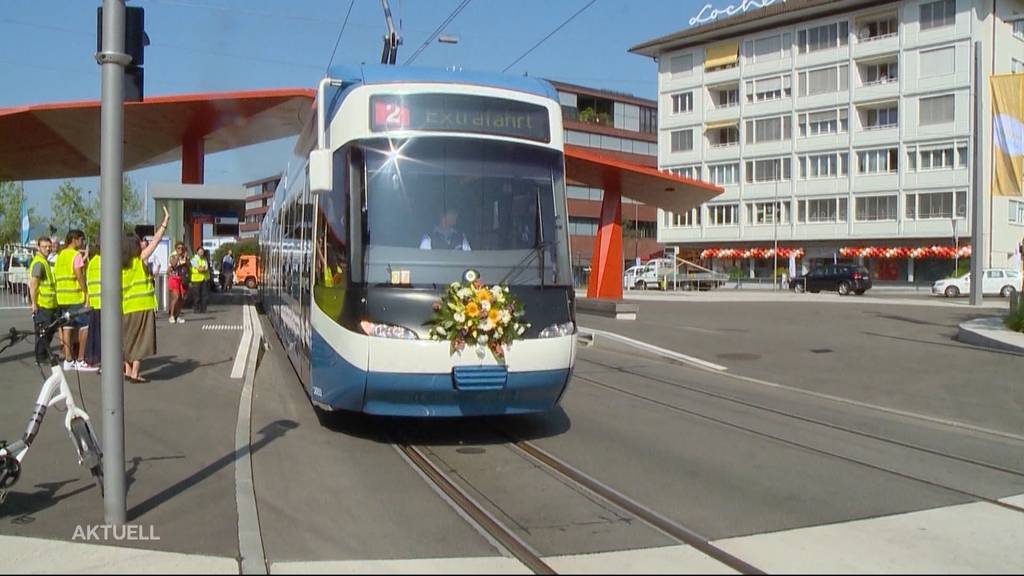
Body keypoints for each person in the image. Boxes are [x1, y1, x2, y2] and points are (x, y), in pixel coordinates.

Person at [121, 206, 169, 383]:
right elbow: (156, 241)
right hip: (143, 305)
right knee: (142, 340)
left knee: (127, 339)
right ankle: (135, 373)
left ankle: (127, 370)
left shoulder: (117, 264)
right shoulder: (139, 259)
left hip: (125, 307)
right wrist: (164, 222)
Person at [54, 230, 95, 371]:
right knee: (85, 326)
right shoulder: (75, 255)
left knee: (67, 327)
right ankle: (81, 359)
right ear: (75, 240)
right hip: (75, 297)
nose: (82, 243)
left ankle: (68, 359)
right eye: (82, 240)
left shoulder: (61, 255)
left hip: (62, 297)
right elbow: (78, 274)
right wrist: (86, 292)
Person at [27, 236, 58, 364]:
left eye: (49, 247)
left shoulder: (43, 261)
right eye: (44, 246)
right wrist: (34, 304)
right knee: (43, 332)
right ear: (38, 247)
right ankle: (41, 357)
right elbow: (33, 284)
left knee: (49, 331)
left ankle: (44, 353)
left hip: (49, 304)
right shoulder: (39, 263)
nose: (47, 249)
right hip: (43, 304)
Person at [83, 236, 102, 368]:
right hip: (105, 303)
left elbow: (89, 282)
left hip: (94, 302)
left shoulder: (92, 262)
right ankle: (102, 360)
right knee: (103, 336)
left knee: (93, 334)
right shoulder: (106, 261)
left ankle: (91, 358)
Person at [167, 242, 190, 324]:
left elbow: (188, 266)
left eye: (182, 248)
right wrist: (178, 256)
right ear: (176, 249)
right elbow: (173, 264)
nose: (181, 250)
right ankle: (171, 315)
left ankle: (177, 315)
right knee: (176, 297)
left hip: (182, 278)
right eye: (179, 248)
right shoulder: (173, 255)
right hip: (174, 278)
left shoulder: (184, 256)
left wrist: (186, 259)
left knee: (181, 298)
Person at [190, 247, 210, 313]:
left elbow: (206, 268)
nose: (201, 253)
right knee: (196, 295)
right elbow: (199, 269)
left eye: (202, 251)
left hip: (204, 278)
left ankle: (203, 309)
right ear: (197, 252)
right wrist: (201, 268)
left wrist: (202, 268)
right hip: (196, 279)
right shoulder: (194, 259)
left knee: (204, 295)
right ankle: (196, 309)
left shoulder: (204, 259)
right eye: (200, 251)